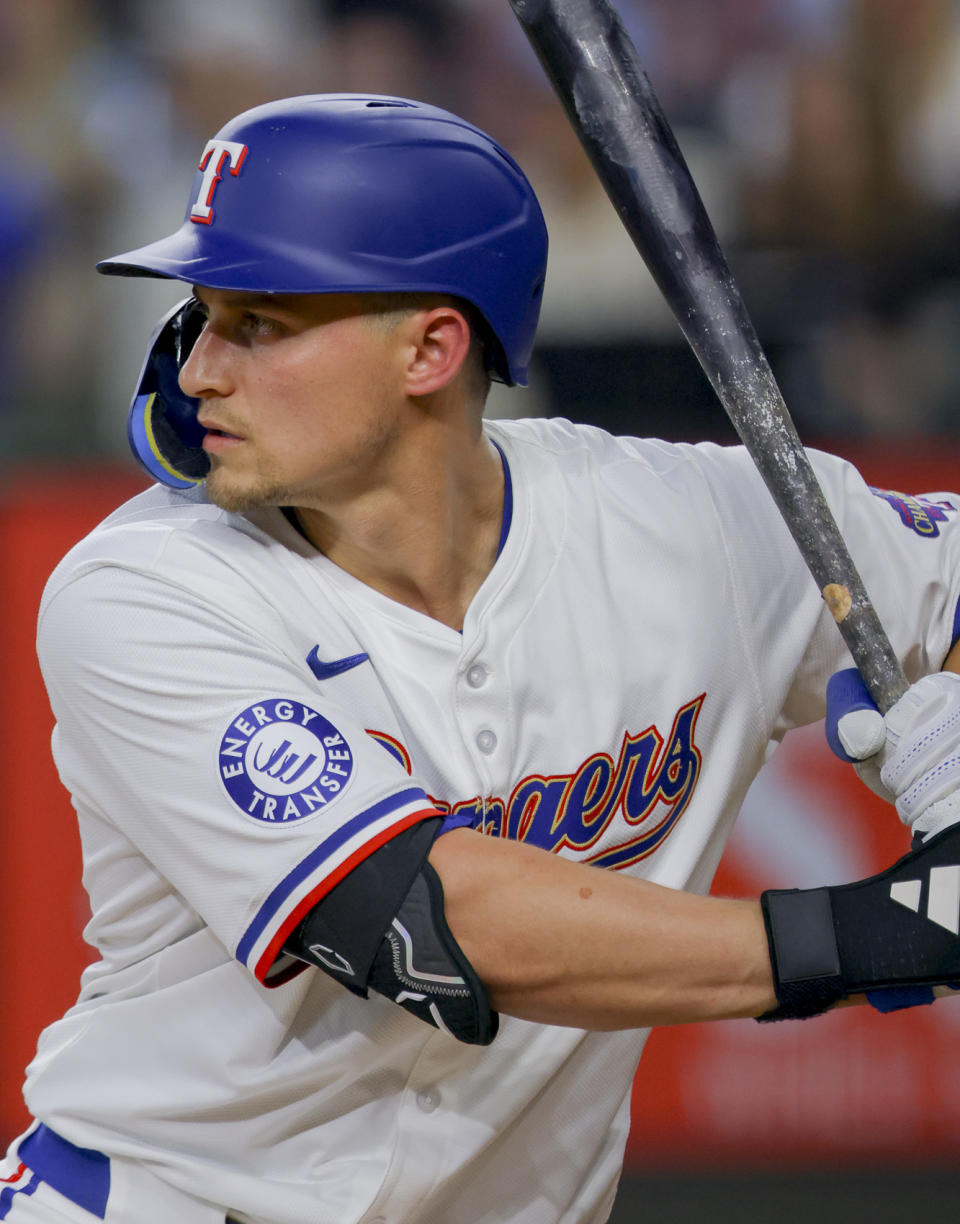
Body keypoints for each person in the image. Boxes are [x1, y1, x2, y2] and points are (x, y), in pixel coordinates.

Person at [5, 92, 960, 1224]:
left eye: (259, 323)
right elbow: (424, 923)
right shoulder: (143, 590)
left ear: (432, 347)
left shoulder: (693, 526)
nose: (201, 369)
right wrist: (874, 936)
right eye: (203, 316)